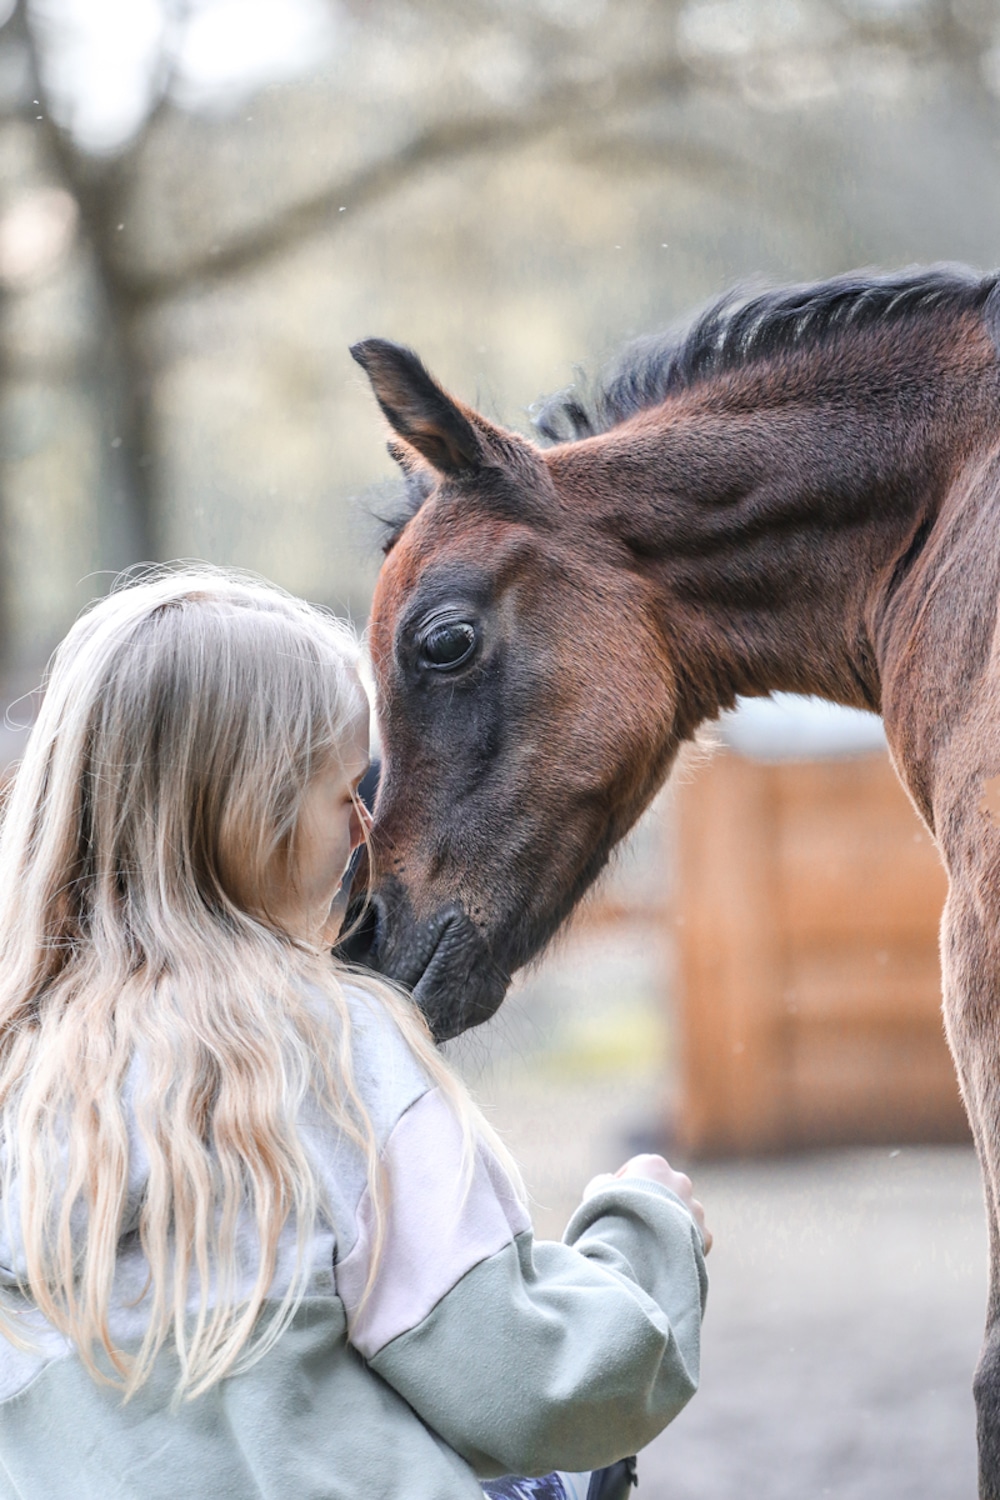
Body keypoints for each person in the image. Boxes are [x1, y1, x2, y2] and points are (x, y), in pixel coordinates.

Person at [0, 566, 710, 1499]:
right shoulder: (336, 1054)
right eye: (345, 791)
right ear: (249, 816)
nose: (369, 823)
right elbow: (532, 1387)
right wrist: (642, 1236)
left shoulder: (18, 1075)